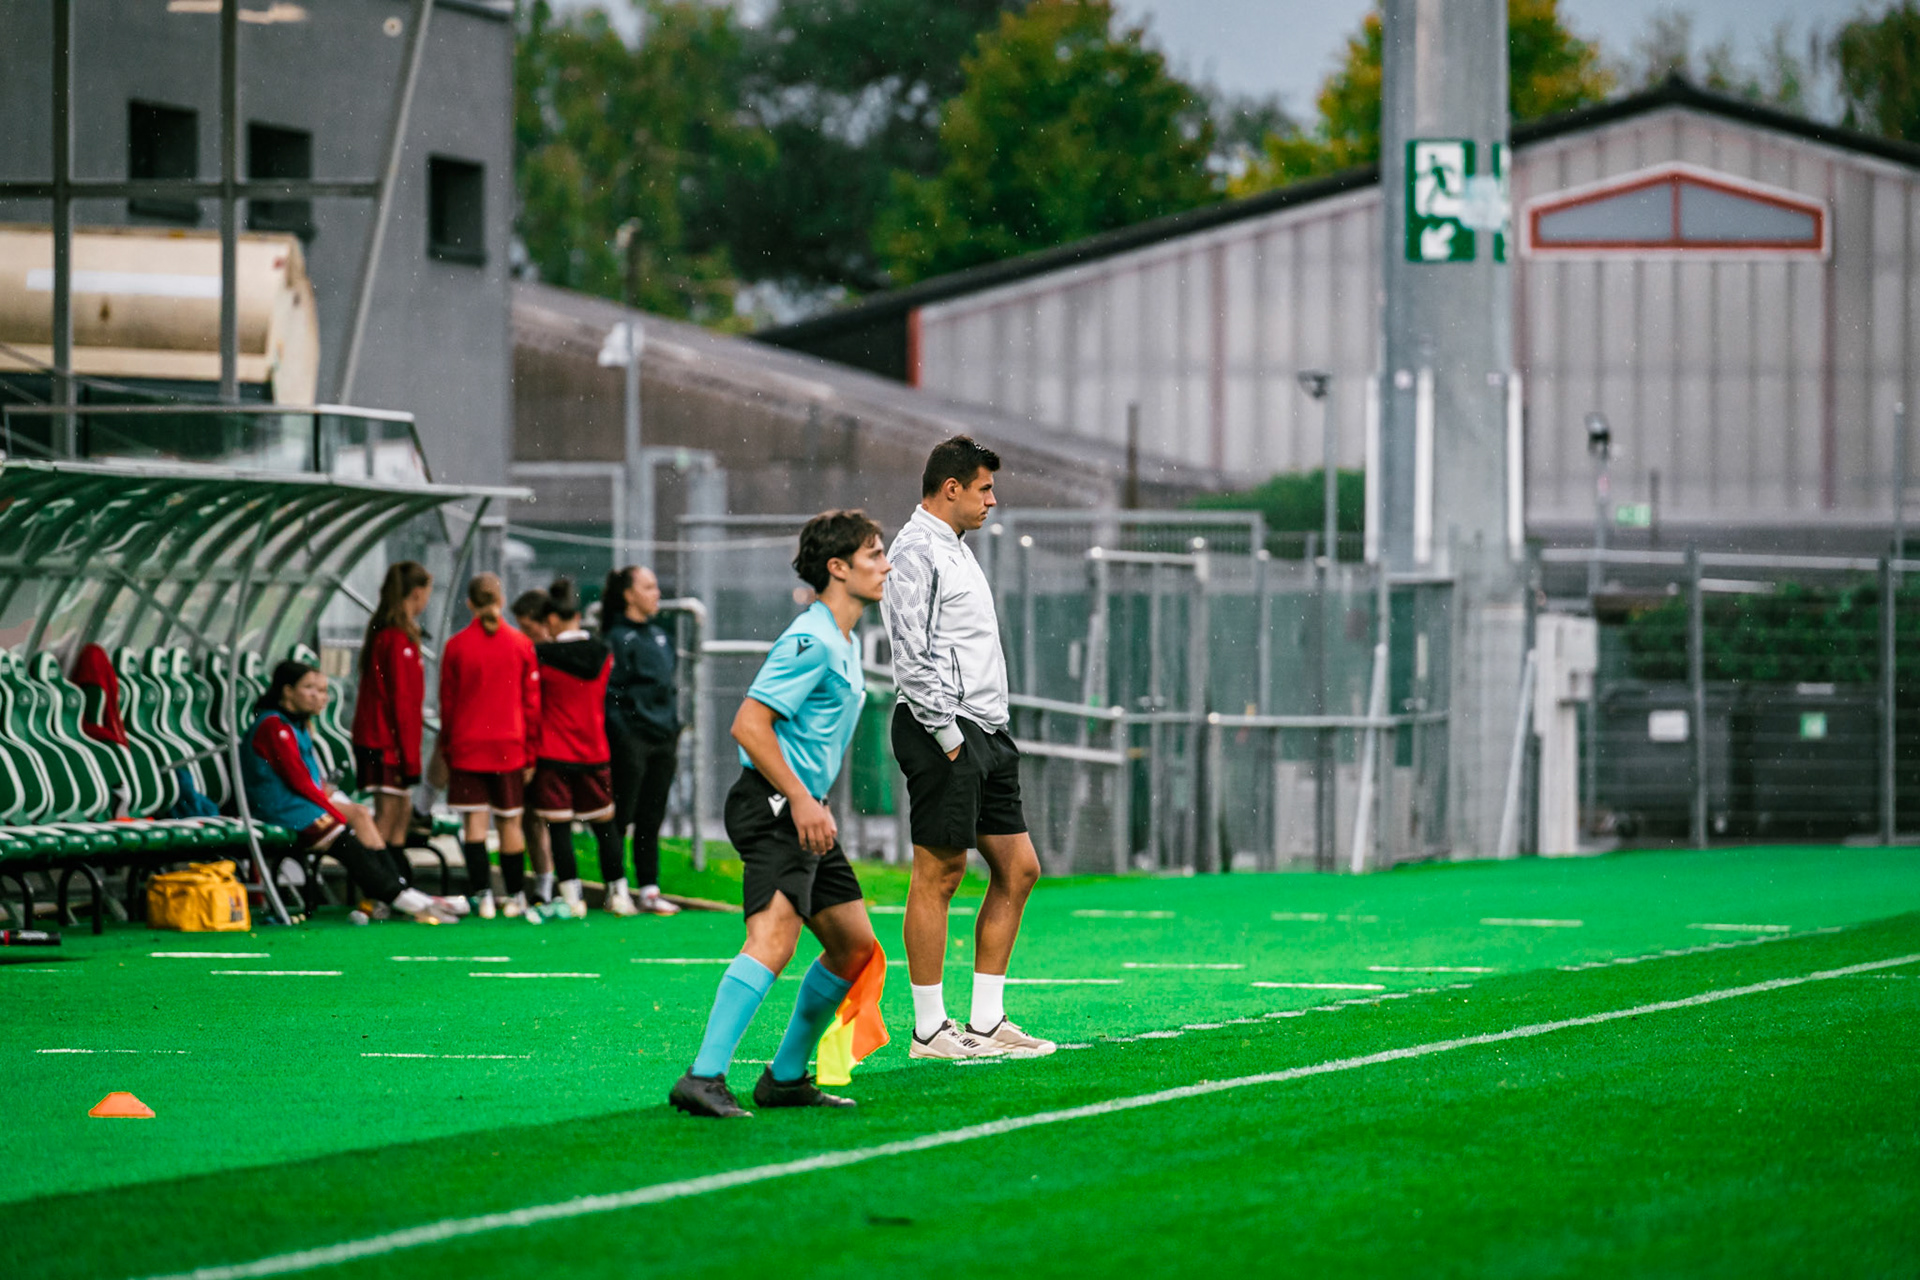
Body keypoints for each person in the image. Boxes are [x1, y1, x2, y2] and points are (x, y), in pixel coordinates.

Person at [669, 511, 890, 1118]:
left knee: (853, 947)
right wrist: (799, 797)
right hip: (773, 805)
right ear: (838, 568)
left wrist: (808, 802)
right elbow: (749, 725)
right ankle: (703, 1076)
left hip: (802, 809)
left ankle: (786, 1078)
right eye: (874, 554)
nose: (886, 565)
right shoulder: (812, 639)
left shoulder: (841, 640)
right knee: (772, 939)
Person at [883, 436, 1052, 1059]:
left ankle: (986, 1020)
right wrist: (949, 736)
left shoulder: (956, 546)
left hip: (987, 728)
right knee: (941, 872)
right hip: (944, 729)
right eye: (984, 488)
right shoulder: (914, 549)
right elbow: (909, 653)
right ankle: (930, 1030)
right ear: (950, 488)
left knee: (1020, 868)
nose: (992, 500)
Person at [244, 660, 463, 925]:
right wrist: (333, 810)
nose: (320, 697)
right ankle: (403, 898)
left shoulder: (297, 724)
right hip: (279, 807)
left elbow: (308, 779)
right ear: (287, 691)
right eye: (310, 688)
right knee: (339, 833)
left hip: (299, 802)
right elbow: (298, 781)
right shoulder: (273, 726)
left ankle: (398, 892)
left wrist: (329, 798)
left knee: (357, 816)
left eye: (323, 690)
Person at [440, 574, 542, 919]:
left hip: (468, 746)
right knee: (510, 823)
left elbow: (447, 704)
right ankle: (516, 896)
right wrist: (530, 753)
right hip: (508, 747)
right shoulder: (521, 644)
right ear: (502, 599)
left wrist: (448, 748)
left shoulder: (456, 646)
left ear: (469, 603)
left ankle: (483, 896)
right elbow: (532, 704)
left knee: (475, 824)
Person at [530, 579, 623, 918]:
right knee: (605, 825)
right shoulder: (604, 653)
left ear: (552, 620)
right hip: (593, 750)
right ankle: (619, 894)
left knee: (559, 828)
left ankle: (572, 899)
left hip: (553, 753)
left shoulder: (541, 656)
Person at [602, 564, 682, 917]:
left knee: (652, 815)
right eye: (648, 587)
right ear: (628, 595)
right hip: (632, 739)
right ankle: (616, 888)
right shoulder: (616, 638)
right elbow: (611, 694)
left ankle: (649, 889)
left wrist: (672, 729)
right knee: (621, 815)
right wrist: (623, 735)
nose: (656, 593)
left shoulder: (660, 636)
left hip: (663, 738)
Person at [351, 561, 431, 889]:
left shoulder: (392, 635)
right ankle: (377, 889)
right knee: (387, 813)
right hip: (383, 741)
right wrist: (410, 758)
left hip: (383, 738)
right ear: (417, 593)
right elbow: (402, 701)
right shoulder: (395, 640)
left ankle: (396, 879)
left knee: (401, 809)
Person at [511, 589, 557, 904]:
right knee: (530, 816)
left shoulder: (556, 656)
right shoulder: (526, 653)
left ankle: (560, 885)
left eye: (527, 627)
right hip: (531, 745)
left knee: (550, 817)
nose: (523, 634)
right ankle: (544, 886)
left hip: (553, 747)